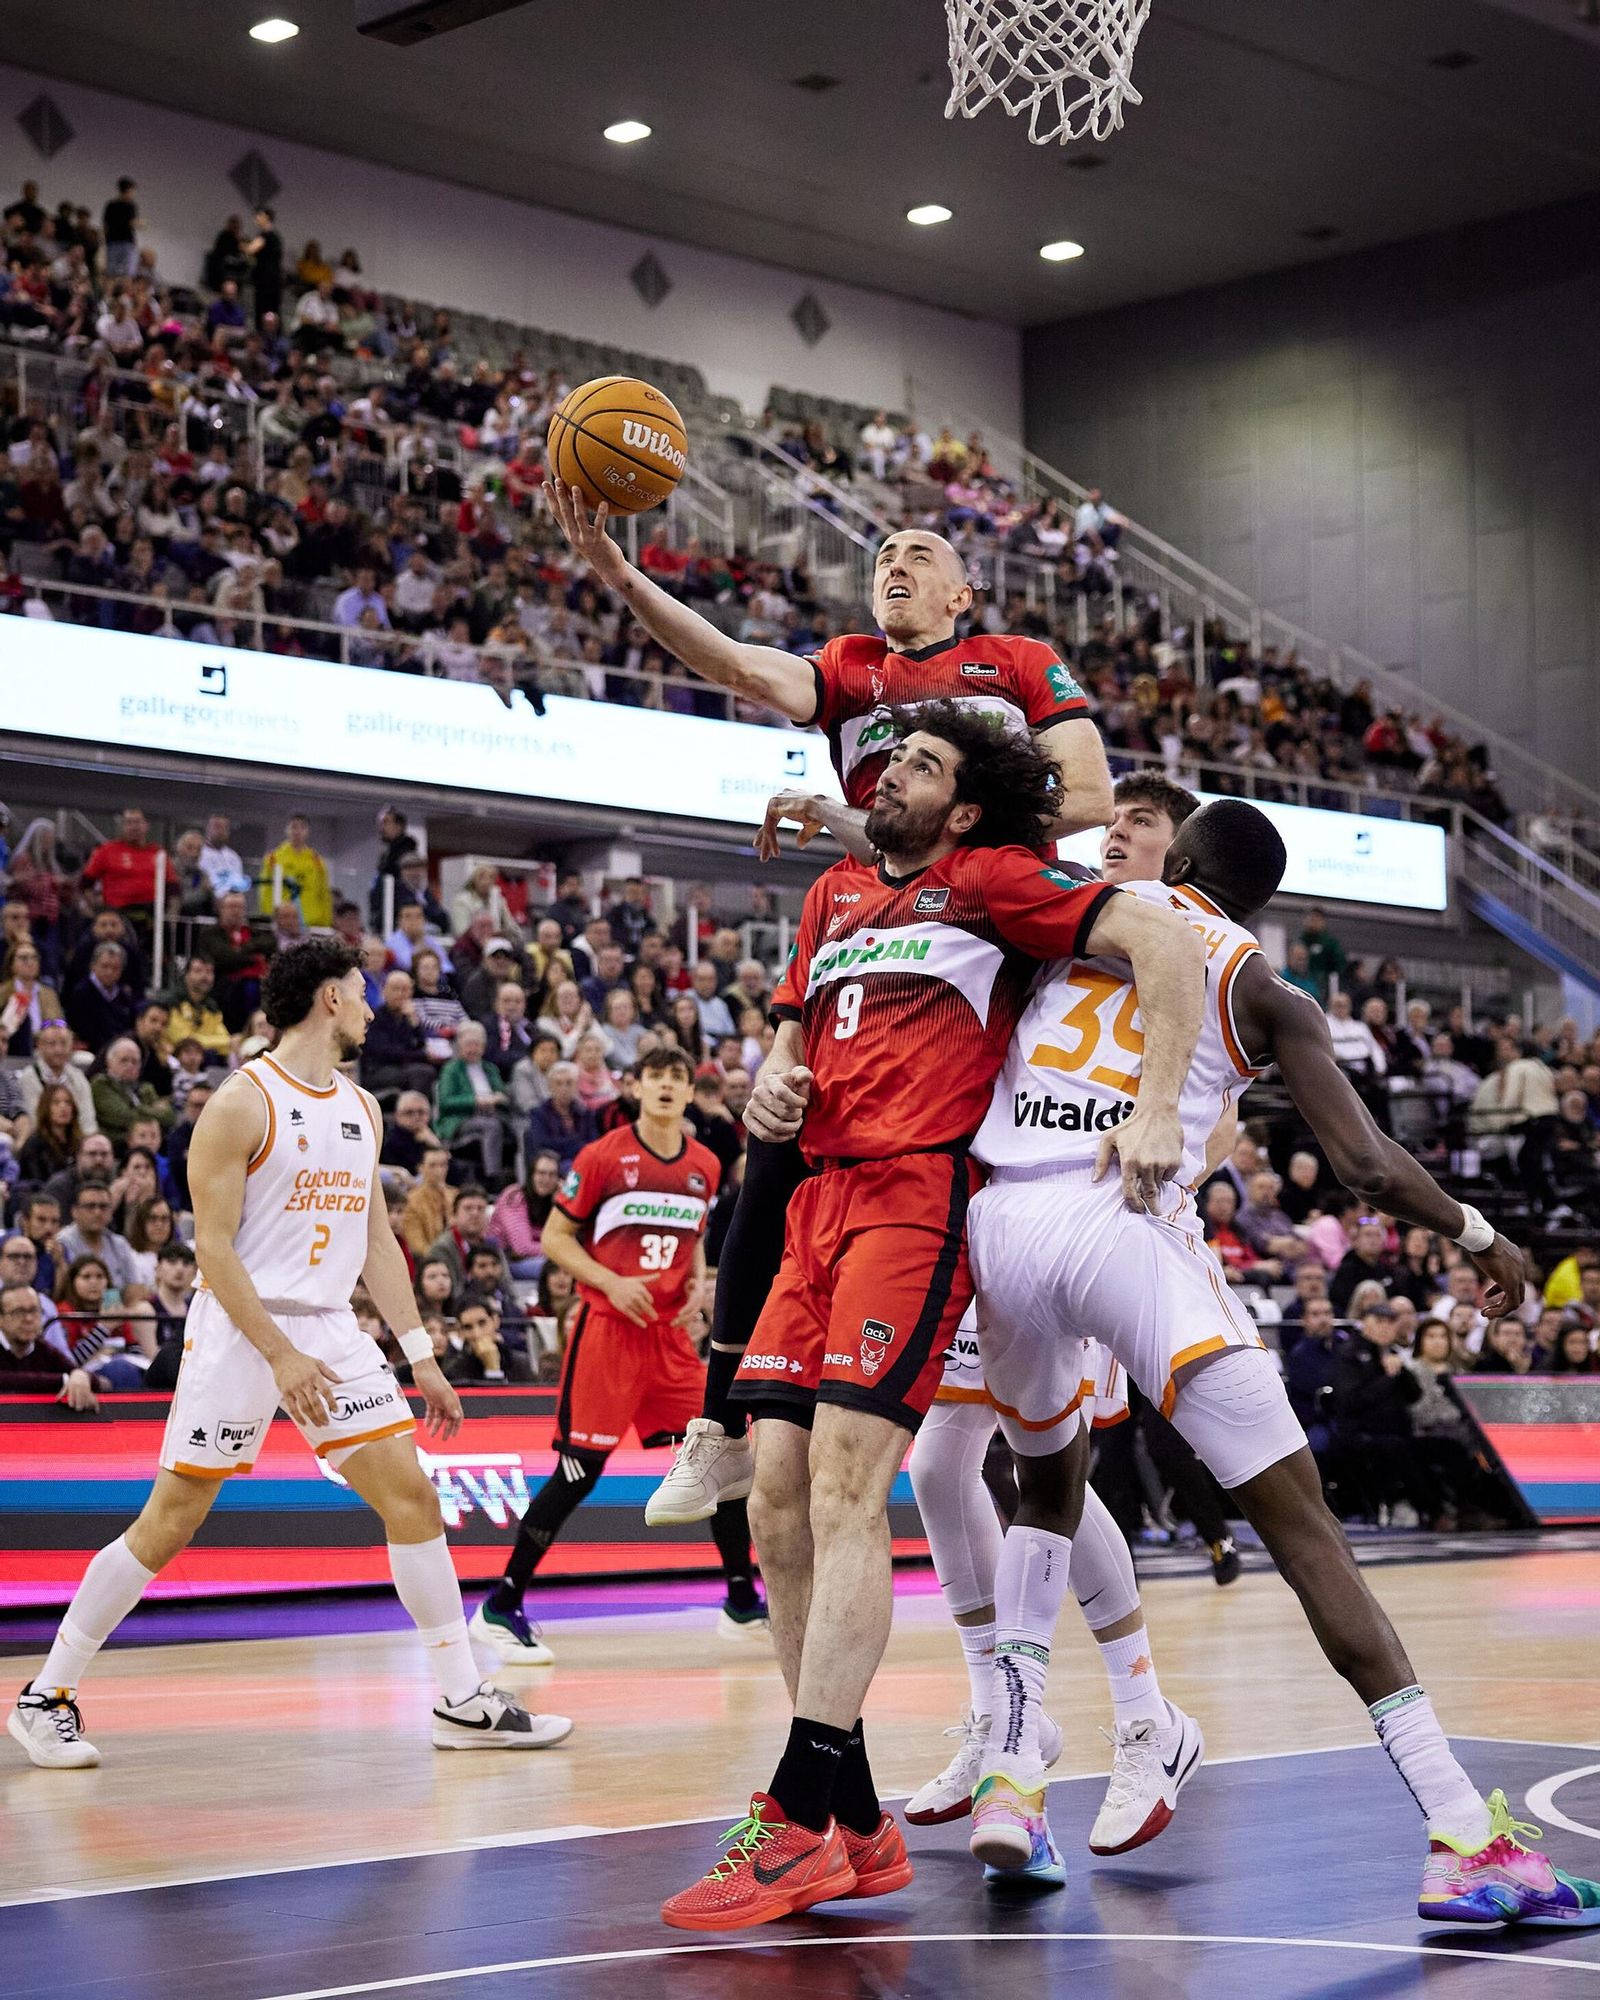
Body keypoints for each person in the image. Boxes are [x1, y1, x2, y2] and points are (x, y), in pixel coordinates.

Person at [958, 795, 1596, 1927]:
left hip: (1000, 1220)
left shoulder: (1075, 911)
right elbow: (1363, 1163)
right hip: (1125, 1220)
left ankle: (1012, 1761)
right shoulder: (1260, 982)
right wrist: (1481, 1235)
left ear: (1182, 855)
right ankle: (1461, 1832)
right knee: (1304, 1528)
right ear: (1258, 897)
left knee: (1038, 1488)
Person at [659, 704, 1201, 1931]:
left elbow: (1159, 939)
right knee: (779, 1495)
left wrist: (1156, 1104)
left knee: (858, 1491)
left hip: (916, 1198)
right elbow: (790, 1046)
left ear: (960, 806)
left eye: (916, 762)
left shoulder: (993, 878)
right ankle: (853, 1820)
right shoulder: (833, 896)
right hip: (813, 1198)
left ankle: (796, 1815)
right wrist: (772, 1077)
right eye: (887, 757)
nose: (886, 769)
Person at [592, 496, 1115, 1541]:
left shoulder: (1014, 660)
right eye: (882, 553)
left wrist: (953, 848)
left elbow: (1093, 792)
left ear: (962, 591)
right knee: (776, 1127)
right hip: (873, 911)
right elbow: (741, 667)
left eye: (919, 550)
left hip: (991, 903)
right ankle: (723, 1420)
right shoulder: (846, 666)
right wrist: (618, 575)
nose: (895, 562)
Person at [9, 940, 569, 1769]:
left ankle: (461, 1699)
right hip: (243, 1326)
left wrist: (421, 1356)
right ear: (329, 1000)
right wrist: (277, 1353)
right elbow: (215, 1252)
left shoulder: (363, 1107)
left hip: (331, 1328)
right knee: (171, 1522)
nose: (374, 1005)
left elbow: (376, 1238)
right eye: (362, 991)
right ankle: (44, 1695)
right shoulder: (240, 1103)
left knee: (411, 1496)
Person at [903, 772, 1210, 1856]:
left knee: (1049, 1471)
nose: (1116, 833)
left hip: (1098, 1225)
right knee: (941, 1468)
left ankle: (1132, 1716)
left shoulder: (1184, 945)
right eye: (1111, 819)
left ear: (1181, 857)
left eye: (1143, 826)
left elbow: (1217, 1093)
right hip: (1002, 1212)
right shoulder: (1054, 915)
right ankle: (1005, 1713)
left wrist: (1159, 1133)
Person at [472, 1047, 762, 1664]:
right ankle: (501, 1604)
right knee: (578, 1472)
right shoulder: (601, 1156)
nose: (665, 1086)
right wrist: (608, 1281)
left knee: (723, 1456)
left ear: (690, 1094)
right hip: (608, 1331)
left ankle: (742, 1598)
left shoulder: (706, 1165)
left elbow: (692, 1241)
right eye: (655, 1076)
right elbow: (554, 1238)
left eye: (677, 1079)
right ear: (634, 1087)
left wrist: (695, 1283)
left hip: (667, 1339)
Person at [486, 1150, 562, 1279]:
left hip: (538, 1256)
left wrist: (561, 1205)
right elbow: (522, 1247)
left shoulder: (553, 1200)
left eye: (552, 1174)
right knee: (558, 1269)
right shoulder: (514, 1197)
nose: (546, 1179)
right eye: (541, 1173)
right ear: (531, 1174)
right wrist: (561, 1250)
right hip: (506, 1261)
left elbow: (566, 1237)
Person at [259, 815, 333, 929]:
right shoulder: (273, 858)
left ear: (308, 832)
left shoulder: (317, 861)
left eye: (302, 828)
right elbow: (265, 891)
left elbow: (324, 893)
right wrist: (270, 918)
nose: (297, 832)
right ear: (287, 830)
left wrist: (326, 923)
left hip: (311, 922)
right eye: (293, 827)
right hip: (283, 923)